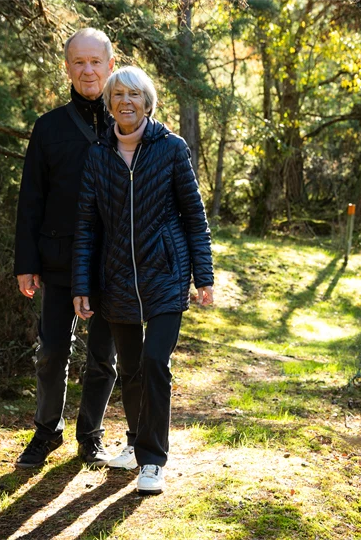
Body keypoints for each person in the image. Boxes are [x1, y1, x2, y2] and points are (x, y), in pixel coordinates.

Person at [71, 66, 214, 495]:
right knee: (130, 369)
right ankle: (134, 442)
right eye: (118, 95)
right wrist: (82, 285)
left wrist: (203, 276)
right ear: (110, 104)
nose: (126, 102)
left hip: (166, 275)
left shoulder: (172, 148)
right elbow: (86, 226)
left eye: (135, 95)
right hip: (116, 280)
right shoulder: (99, 155)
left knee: (155, 362)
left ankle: (153, 460)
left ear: (148, 103)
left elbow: (195, 216)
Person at [13, 28, 118, 469]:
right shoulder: (49, 127)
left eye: (96, 62)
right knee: (52, 349)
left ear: (111, 65)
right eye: (79, 62)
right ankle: (46, 431)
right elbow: (31, 198)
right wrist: (26, 262)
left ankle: (90, 435)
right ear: (67, 68)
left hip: (112, 262)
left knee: (104, 358)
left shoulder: (127, 123)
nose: (88, 70)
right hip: (56, 259)